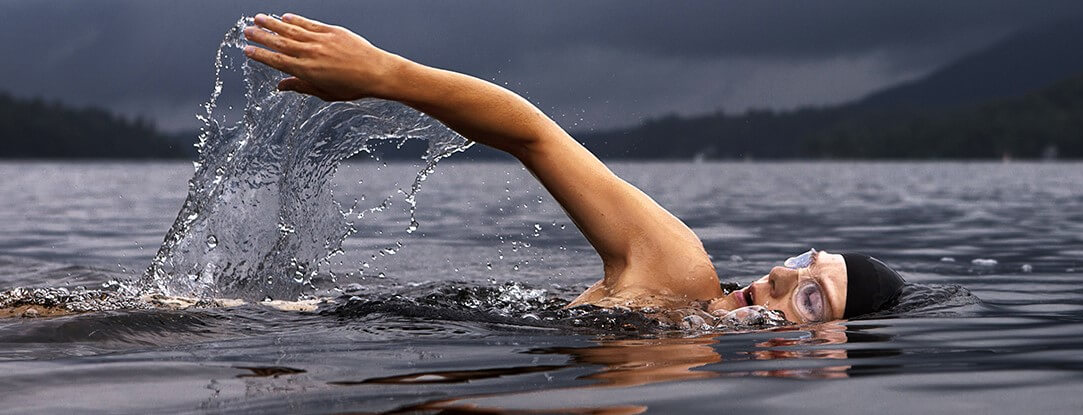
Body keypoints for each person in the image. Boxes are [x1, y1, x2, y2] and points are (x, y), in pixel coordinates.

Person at [241, 13, 905, 323]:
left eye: (811, 296)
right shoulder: (676, 271)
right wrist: (385, 74)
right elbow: (534, 135)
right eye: (803, 259)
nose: (782, 273)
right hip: (285, 321)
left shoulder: (677, 367)